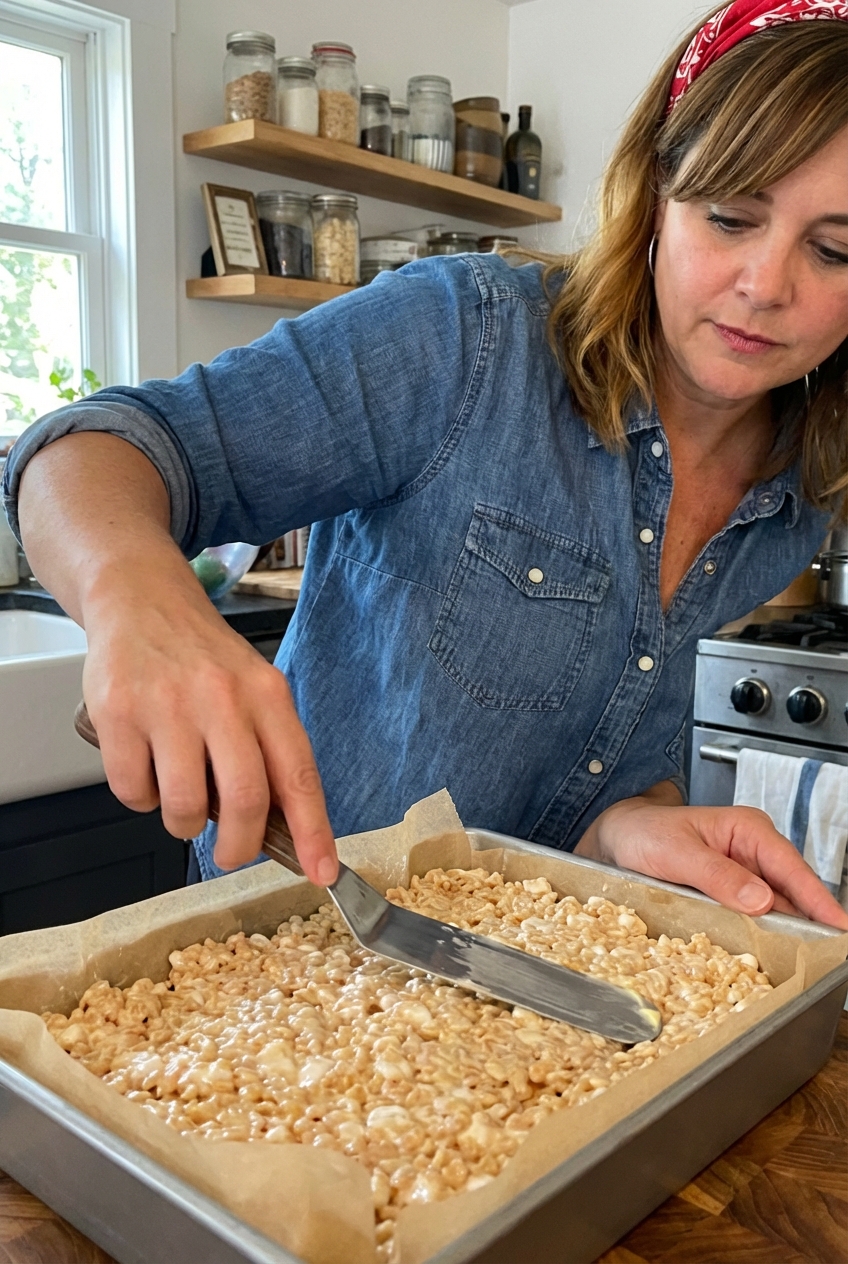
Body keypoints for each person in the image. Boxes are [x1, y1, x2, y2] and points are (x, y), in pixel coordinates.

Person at [3, 0, 847, 927]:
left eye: (834, 250)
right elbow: (92, 447)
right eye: (729, 218)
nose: (765, 287)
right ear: (656, 197)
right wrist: (136, 600)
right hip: (290, 954)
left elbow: (614, 731)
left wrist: (629, 824)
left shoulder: (799, 492)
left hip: (529, 981)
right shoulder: (464, 339)